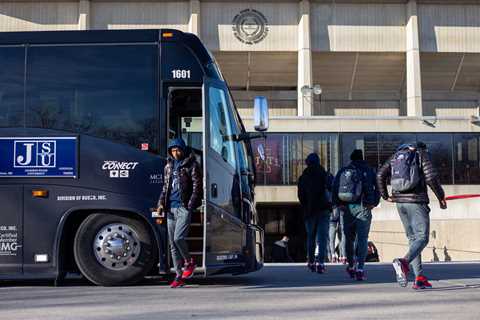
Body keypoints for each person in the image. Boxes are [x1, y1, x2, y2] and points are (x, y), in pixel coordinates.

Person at [377, 142, 447, 290]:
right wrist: (441, 197)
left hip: (400, 203)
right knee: (422, 238)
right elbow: (431, 177)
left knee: (413, 239)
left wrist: (385, 196)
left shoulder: (396, 156)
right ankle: (404, 262)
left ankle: (419, 278)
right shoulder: (421, 154)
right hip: (416, 202)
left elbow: (380, 174)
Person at [158, 138, 202, 288]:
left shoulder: (192, 165)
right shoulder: (169, 166)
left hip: (183, 207)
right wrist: (161, 204)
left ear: (183, 149)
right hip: (170, 208)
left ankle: (189, 262)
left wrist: (190, 205)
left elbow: (197, 187)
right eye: (173, 150)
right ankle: (178, 275)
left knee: (178, 238)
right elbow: (165, 187)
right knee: (172, 244)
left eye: (178, 150)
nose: (175, 153)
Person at [333, 149, 379, 281]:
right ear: (362, 158)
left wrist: (338, 204)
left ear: (351, 158)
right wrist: (373, 202)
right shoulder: (369, 170)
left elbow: (335, 187)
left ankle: (351, 265)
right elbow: (378, 187)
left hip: (347, 207)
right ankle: (360, 268)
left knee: (348, 238)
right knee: (363, 238)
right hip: (364, 207)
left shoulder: (344, 170)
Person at [297, 153, 331, 274]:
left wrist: (306, 206)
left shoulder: (303, 177)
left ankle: (311, 261)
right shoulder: (325, 174)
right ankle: (321, 263)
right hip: (324, 210)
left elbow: (300, 196)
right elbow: (331, 189)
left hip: (309, 211)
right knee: (322, 237)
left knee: (311, 237)